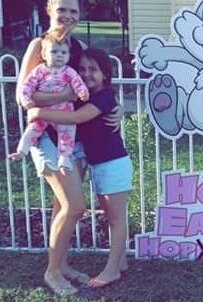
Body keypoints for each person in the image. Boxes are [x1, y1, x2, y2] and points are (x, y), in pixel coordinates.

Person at [15, 0, 121, 295]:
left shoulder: (79, 48)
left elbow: (96, 85)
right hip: (45, 137)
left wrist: (113, 108)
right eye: (62, 10)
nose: (68, 16)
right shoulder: (40, 46)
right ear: (50, 8)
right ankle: (52, 272)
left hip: (73, 138)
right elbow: (24, 96)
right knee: (75, 206)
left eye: (73, 11)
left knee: (61, 206)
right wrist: (60, 100)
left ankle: (61, 264)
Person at [28, 47, 133, 289]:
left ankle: (111, 271)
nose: (86, 74)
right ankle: (121, 262)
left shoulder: (104, 97)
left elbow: (76, 119)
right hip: (101, 165)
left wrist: (38, 112)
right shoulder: (86, 96)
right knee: (112, 217)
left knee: (116, 219)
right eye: (82, 69)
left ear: (105, 74)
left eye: (93, 70)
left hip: (113, 164)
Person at [9, 30, 89, 173]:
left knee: (67, 133)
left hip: (64, 111)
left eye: (63, 53)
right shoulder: (39, 71)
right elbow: (27, 86)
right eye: (54, 52)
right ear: (44, 55)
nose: (59, 55)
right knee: (33, 129)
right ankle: (22, 150)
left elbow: (78, 83)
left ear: (68, 56)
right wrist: (26, 99)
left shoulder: (69, 71)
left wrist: (82, 92)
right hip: (44, 112)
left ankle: (64, 159)